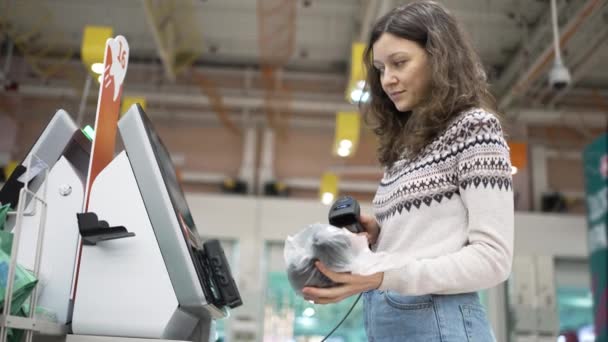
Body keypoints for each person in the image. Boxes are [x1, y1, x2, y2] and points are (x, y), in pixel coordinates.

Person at [301, 1, 514, 341]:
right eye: (381, 68)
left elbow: (493, 260)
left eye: (399, 63)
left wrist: (381, 275)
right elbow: (427, 243)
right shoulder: (403, 148)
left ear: (439, 57)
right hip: (389, 320)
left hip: (440, 323)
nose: (388, 79)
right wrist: (381, 234)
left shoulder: (475, 128)